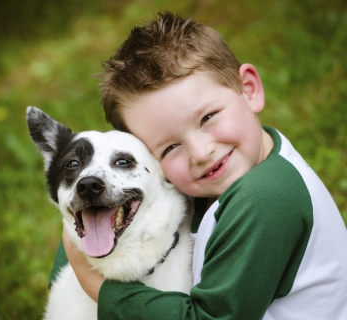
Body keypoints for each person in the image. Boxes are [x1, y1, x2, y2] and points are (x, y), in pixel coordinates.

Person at [55, 12, 347, 319]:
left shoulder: (266, 198)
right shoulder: (222, 177)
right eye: (170, 147)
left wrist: (96, 285)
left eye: (208, 118)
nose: (200, 153)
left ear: (248, 88)